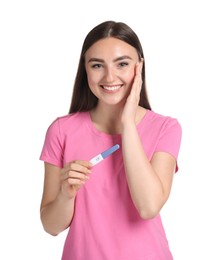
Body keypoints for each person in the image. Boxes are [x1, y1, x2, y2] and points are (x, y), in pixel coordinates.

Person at [39, 20, 182, 260]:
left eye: (122, 64)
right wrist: (66, 194)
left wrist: (128, 123)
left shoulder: (165, 128)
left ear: (139, 67)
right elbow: (51, 226)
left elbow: (148, 207)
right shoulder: (61, 130)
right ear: (85, 69)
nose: (109, 76)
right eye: (97, 65)